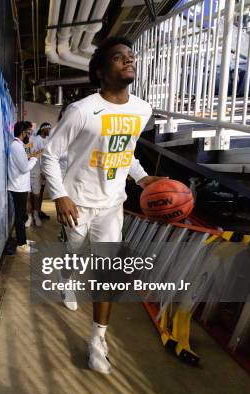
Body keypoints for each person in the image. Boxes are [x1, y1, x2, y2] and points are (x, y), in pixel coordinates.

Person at [41, 37, 166, 374]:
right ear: (100, 71)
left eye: (130, 56)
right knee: (75, 252)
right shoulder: (82, 111)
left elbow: (125, 151)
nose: (128, 60)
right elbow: (50, 155)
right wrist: (60, 195)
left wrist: (141, 178)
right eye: (118, 57)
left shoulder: (142, 109)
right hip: (78, 201)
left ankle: (98, 341)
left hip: (112, 205)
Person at [8, 121, 39, 254]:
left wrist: (32, 156)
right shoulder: (16, 146)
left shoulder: (19, 145)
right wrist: (35, 158)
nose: (29, 135)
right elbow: (24, 168)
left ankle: (23, 240)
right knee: (20, 217)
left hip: (20, 186)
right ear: (22, 132)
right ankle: (21, 244)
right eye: (28, 132)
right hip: (17, 187)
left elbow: (23, 163)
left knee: (22, 216)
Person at [33, 123, 53, 221]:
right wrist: (41, 171)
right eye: (48, 129)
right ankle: (34, 212)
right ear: (43, 129)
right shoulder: (36, 139)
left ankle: (39, 210)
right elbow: (36, 156)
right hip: (37, 170)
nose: (50, 130)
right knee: (36, 193)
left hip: (45, 171)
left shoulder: (48, 140)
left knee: (41, 192)